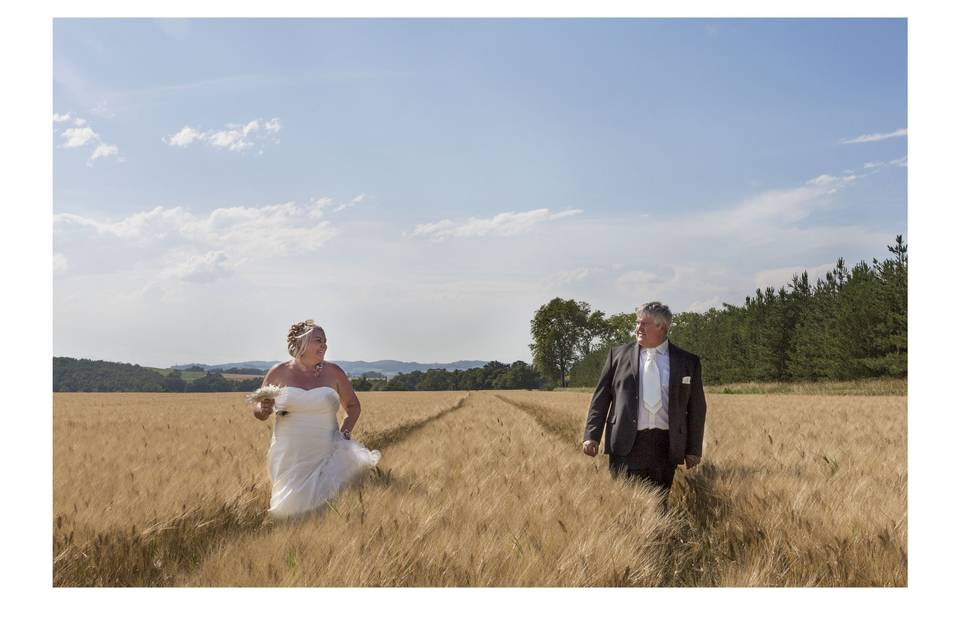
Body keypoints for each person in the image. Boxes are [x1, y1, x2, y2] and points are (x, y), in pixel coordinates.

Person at [582, 302, 706, 511]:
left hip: (665, 445)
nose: (638, 328)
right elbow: (601, 399)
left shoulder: (687, 361)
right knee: (625, 507)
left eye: (645, 323)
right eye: (637, 322)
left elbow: (697, 408)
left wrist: (693, 449)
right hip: (626, 443)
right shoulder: (617, 356)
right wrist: (591, 435)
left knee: (659, 506)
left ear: (662, 328)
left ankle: (657, 542)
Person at [253, 319, 381, 518]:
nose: (324, 345)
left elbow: (353, 406)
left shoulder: (334, 372)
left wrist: (344, 434)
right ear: (301, 343)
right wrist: (263, 408)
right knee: (289, 509)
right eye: (318, 340)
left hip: (326, 450)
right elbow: (259, 410)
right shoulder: (278, 372)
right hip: (289, 453)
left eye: (325, 341)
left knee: (326, 507)